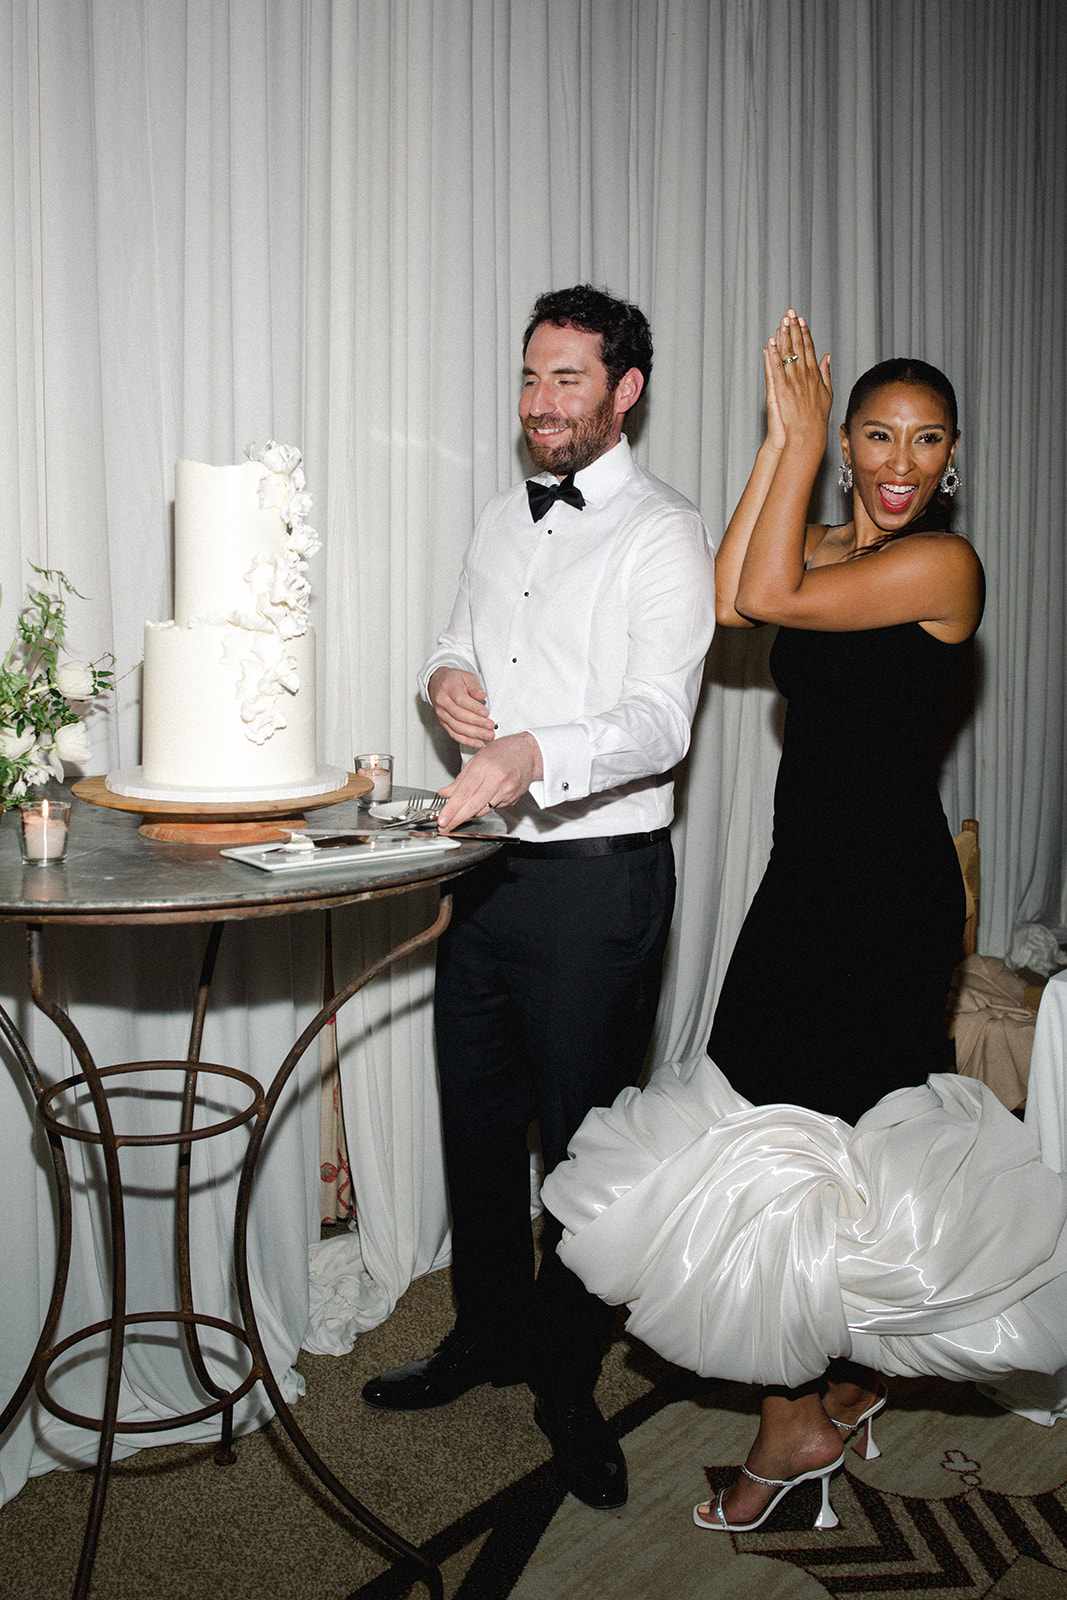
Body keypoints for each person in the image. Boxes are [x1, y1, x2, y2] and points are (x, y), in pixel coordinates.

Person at [543, 312, 1067, 1534]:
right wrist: (784, 451)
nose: (899, 460)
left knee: (791, 1131)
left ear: (951, 459)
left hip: (880, 901)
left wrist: (789, 437)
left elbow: (767, 589)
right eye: (874, 434)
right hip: (806, 886)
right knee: (798, 1134)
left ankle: (793, 1430)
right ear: (846, 446)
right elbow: (734, 598)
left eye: (924, 439)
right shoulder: (830, 537)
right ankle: (837, 1379)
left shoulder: (947, 569)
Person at [361, 284, 715, 1510]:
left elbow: (657, 722)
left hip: (597, 884)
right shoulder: (498, 514)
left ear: (624, 392)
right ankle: (485, 1335)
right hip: (487, 866)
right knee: (473, 1117)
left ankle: (571, 1384)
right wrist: (448, 679)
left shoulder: (664, 532)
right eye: (529, 378)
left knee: (579, 1144)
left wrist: (526, 753)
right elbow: (449, 640)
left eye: (566, 379)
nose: (539, 402)